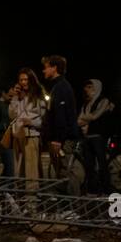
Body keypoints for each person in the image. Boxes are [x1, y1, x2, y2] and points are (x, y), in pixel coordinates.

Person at [41, 55, 82, 184]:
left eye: (46, 67)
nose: (44, 70)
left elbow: (61, 116)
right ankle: (68, 201)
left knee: (66, 173)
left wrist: (58, 139)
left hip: (62, 140)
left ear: (54, 68)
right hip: (59, 139)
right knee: (61, 173)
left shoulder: (61, 87)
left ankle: (74, 202)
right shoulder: (56, 87)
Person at [9, 69, 45, 193]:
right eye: (21, 80)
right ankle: (21, 198)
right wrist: (14, 97)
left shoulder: (38, 95)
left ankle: (32, 200)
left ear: (31, 80)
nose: (23, 82)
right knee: (19, 170)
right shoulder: (18, 97)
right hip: (18, 135)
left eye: (26, 79)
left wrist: (33, 122)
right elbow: (12, 115)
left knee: (31, 170)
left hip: (31, 134)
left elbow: (44, 117)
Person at [76, 79, 115, 195]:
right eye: (86, 87)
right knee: (89, 164)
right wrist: (85, 119)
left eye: (89, 87)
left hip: (98, 136)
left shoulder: (104, 101)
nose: (86, 89)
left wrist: (85, 119)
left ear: (96, 88)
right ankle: (93, 189)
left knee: (102, 164)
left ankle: (106, 189)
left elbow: (95, 116)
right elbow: (80, 119)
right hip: (87, 137)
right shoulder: (86, 103)